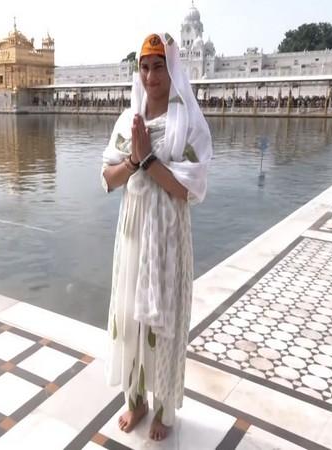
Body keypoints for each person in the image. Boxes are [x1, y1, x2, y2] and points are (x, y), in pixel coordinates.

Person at [101, 33, 212, 441]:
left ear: (172, 68)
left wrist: (147, 159)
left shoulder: (188, 121)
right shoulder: (130, 118)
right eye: (144, 67)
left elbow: (190, 188)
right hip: (133, 232)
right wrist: (134, 158)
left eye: (158, 66)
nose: (150, 75)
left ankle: (164, 407)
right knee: (131, 314)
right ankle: (136, 400)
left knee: (165, 320)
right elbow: (109, 178)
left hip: (167, 236)